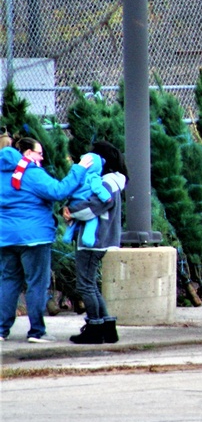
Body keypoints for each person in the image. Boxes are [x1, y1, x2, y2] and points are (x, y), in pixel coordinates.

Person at [0, 137, 91, 343]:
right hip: (34, 238)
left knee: (8, 281)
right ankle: (36, 331)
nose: (41, 157)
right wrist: (78, 169)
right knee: (36, 284)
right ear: (27, 154)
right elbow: (58, 191)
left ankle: (2, 330)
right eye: (38, 153)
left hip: (5, 237)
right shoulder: (31, 174)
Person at [64, 141, 128, 344]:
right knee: (90, 284)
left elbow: (96, 205)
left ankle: (94, 328)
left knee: (85, 285)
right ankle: (106, 327)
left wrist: (70, 211)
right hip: (104, 238)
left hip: (94, 240)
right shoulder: (115, 180)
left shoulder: (106, 182)